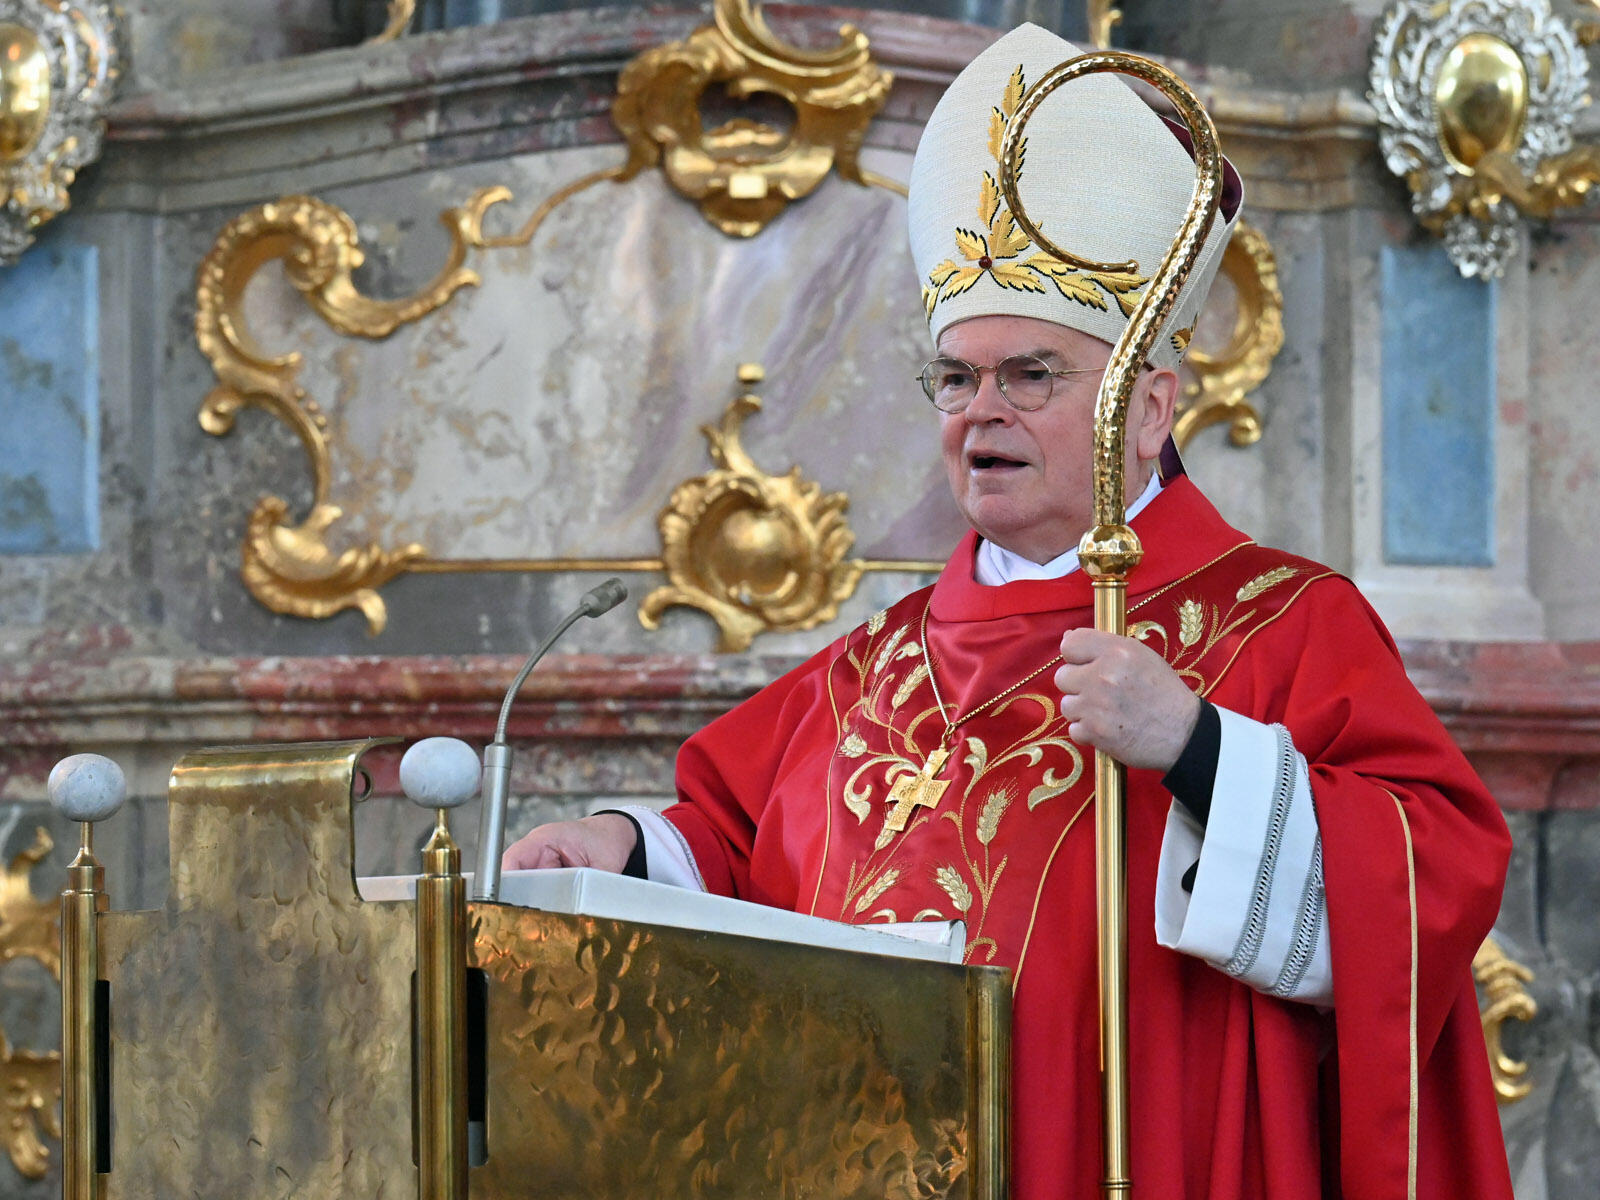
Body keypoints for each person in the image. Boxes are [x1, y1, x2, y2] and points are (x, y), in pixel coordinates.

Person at [505, 24, 1514, 1200]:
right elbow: (733, 843)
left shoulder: (1280, 624)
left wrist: (1197, 748)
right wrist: (622, 848)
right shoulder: (872, 665)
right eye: (955, 378)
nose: (980, 412)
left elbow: (1435, 874)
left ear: (1148, 408)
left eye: (1030, 375)